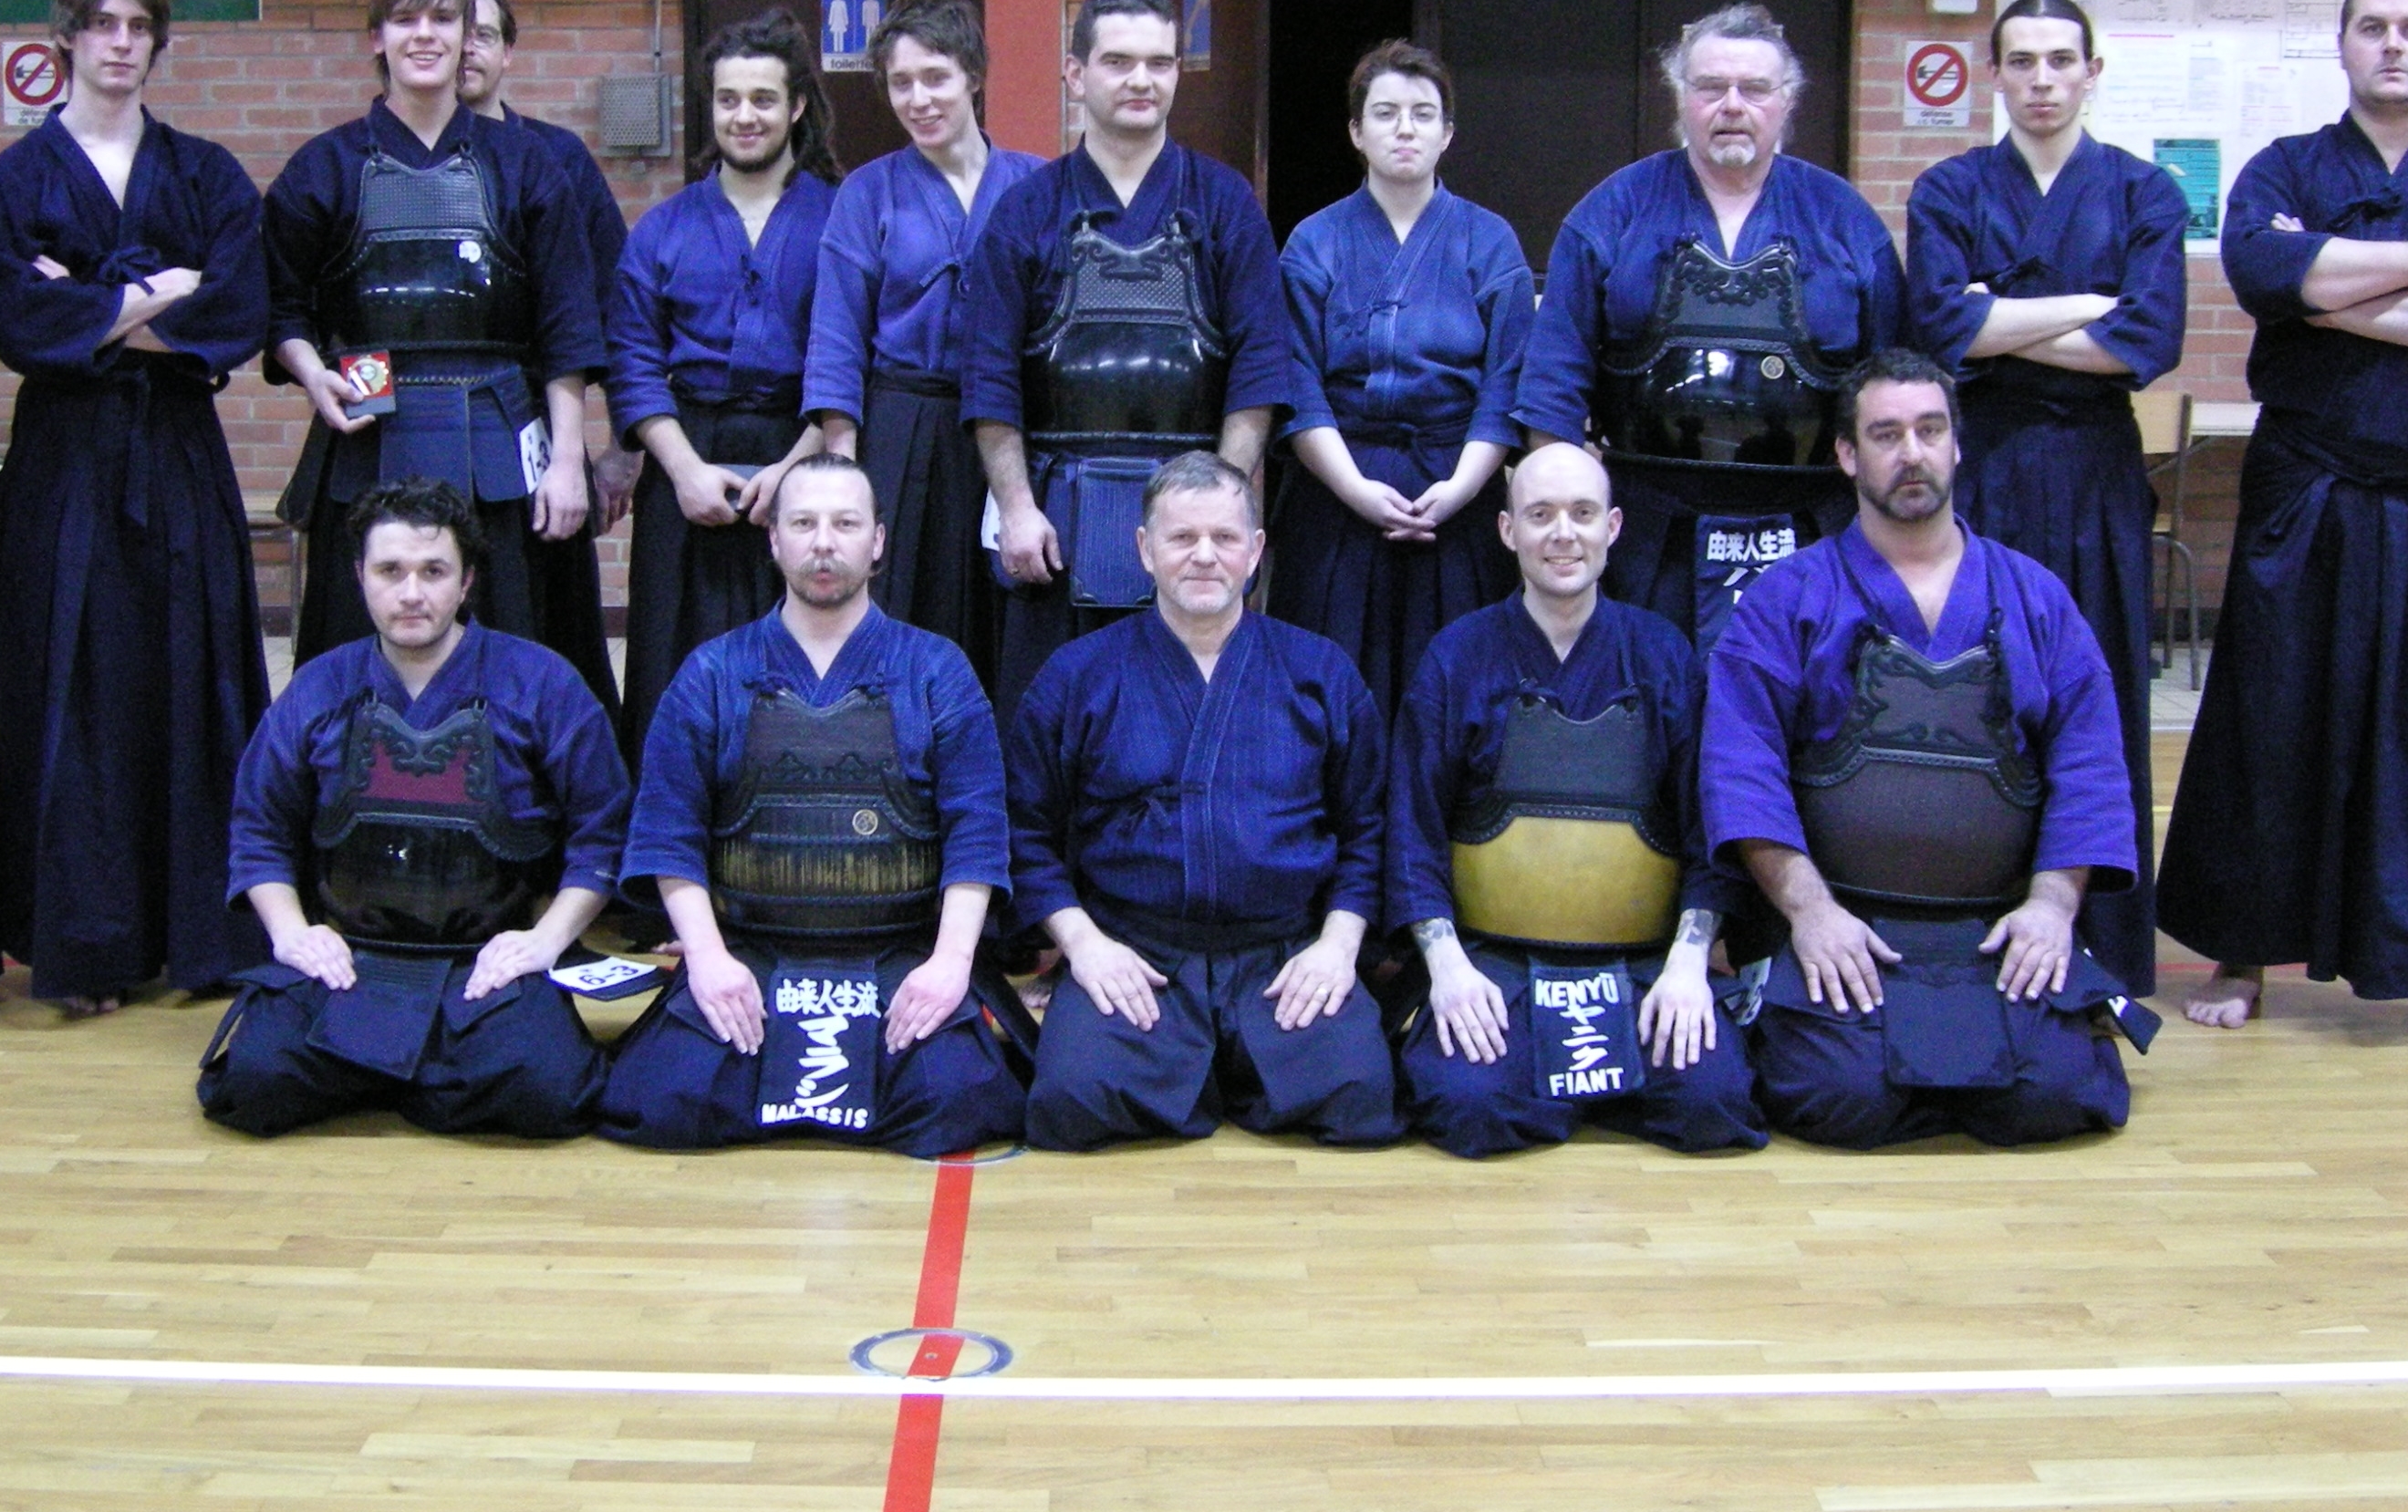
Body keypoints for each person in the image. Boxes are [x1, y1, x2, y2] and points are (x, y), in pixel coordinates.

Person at [2160, 0, 2408, 1050]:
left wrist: (2325, 296)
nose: (2390, 44)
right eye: (2371, 26)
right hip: (2304, 487)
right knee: (2268, 713)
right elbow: (2258, 270)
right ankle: (2240, 950)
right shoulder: (2285, 165)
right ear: (2340, 45)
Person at [1703, 351, 2157, 1148]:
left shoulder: (2036, 598)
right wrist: (1809, 912)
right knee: (1836, 1099)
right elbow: (1743, 771)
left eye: (1929, 430)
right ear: (1847, 455)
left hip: (1996, 931)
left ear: (1957, 444)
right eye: (1886, 435)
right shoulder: (1788, 598)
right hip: (1848, 929)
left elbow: (2089, 768)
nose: (1911, 453)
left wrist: (2052, 908)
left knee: (2056, 1098)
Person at [0, 0, 275, 1016]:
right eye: (101, 23)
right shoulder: (10, 182)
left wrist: (95, 306)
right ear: (66, 38)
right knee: (75, 694)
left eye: (138, 26)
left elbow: (233, 314)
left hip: (178, 455)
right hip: (64, 465)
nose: (120, 42)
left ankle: (204, 938)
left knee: (194, 682)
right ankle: (85, 947)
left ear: (157, 43)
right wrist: (158, 292)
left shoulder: (206, 174)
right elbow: (22, 326)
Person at [598, 454, 1030, 1155]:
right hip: (753, 954)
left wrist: (950, 965)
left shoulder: (937, 669)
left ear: (877, 541)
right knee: (663, 1103)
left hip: (897, 954)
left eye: (845, 524)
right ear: (774, 539)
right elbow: (667, 834)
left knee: (956, 1102)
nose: (824, 542)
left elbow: (976, 833)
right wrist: (707, 960)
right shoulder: (712, 671)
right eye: (803, 523)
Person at [1900, 0, 2187, 1006]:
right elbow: (1940, 330)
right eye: (2020, 61)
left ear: (2091, 72)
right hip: (1980, 469)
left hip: (2095, 472)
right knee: (1970, 693)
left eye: (2060, 60)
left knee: (2095, 695)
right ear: (1994, 75)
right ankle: (1965, 929)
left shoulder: (2145, 193)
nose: (2041, 80)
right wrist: (2087, 307)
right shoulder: (1948, 189)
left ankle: (2097, 939)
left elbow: (2146, 341)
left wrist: (2001, 320)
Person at [202, 479, 632, 1138]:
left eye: (434, 571)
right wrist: (291, 934)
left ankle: (376, 1073)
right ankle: (423, 1075)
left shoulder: (543, 683)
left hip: (486, 963)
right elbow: (260, 829)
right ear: (360, 577)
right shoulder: (319, 688)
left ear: (466, 582)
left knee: (546, 1093)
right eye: (390, 571)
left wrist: (545, 941)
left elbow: (602, 835)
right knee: (254, 1086)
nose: (411, 593)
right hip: (352, 959)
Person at [1006, 452, 1400, 1149]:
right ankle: (1214, 1064)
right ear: (1144, 549)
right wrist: (1085, 946)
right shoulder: (1079, 675)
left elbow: (1367, 830)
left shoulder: (1320, 672)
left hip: (1282, 954)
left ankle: (1216, 1063)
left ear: (1255, 550)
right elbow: (1024, 832)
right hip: (1137, 952)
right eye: (1182, 537)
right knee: (1072, 1102)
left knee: (1360, 1097)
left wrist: (1337, 949)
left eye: (1224, 537)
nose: (1205, 556)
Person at [1387, 441, 1761, 1156]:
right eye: (1541, 515)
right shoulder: (1457, 656)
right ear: (1508, 531)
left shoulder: (1663, 655)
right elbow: (1413, 832)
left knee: (1713, 1104)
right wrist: (1449, 969)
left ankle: (1567, 1086)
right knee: (1470, 1107)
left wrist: (1689, 964)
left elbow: (1706, 830)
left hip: (1640, 963)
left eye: (1583, 514)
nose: (1564, 533)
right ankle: (1582, 1089)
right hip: (1498, 962)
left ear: (1612, 528)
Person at [1514, 4, 1907, 652]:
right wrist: (1571, 527)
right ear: (1681, 97)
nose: (1732, 105)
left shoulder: (1845, 220)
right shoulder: (1612, 213)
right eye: (1710, 87)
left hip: (1815, 526)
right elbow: (1552, 391)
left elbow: (1896, 387)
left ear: (1786, 101)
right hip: (1647, 531)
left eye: (1754, 88)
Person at [957, 0, 1299, 711]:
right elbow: (990, 379)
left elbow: (1260, 370)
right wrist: (1016, 508)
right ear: (1076, 75)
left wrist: (1222, 509)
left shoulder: (1225, 203)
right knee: (1051, 721)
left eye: (1159, 62)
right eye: (1118, 62)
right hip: (1056, 518)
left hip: (1189, 515)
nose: (1141, 80)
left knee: (1189, 719)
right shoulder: (1025, 211)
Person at [262, 0, 605, 671]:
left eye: (443, 19)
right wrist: (311, 373)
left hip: (500, 431)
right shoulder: (323, 167)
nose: (425, 35)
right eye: (405, 19)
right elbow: (280, 306)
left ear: (465, 37)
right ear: (376, 38)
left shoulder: (527, 163)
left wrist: (568, 462)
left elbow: (568, 326)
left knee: (510, 645)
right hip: (367, 424)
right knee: (357, 647)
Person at [1267, 40, 1531, 708]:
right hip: (1337, 488)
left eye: (1422, 113)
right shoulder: (1315, 240)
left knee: (1456, 693)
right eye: (1385, 114)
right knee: (1327, 690)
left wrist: (1461, 488)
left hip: (1458, 490)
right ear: (1357, 132)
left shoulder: (1489, 240)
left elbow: (1506, 382)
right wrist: (1354, 488)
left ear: (1448, 132)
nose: (1404, 129)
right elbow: (1296, 381)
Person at [606, 7, 840, 756]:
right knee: (671, 657)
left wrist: (798, 467)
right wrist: (681, 470)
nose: (745, 116)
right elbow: (634, 358)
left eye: (763, 99)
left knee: (798, 657)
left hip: (801, 449)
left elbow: (851, 357)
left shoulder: (841, 220)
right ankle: (666, 820)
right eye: (729, 99)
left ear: (796, 107)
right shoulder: (663, 228)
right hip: (688, 455)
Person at [805, 0, 1048, 691]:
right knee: (901, 603)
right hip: (902, 424)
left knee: (1011, 604)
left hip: (1010, 425)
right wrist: (843, 469)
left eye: (936, 78)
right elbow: (837, 339)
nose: (919, 99)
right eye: (901, 83)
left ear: (974, 75)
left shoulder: (1035, 185)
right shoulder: (867, 192)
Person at [456, 0, 632, 720]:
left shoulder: (558, 159)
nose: (466, 48)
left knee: (546, 629)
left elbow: (617, 308)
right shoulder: (365, 161)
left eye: (484, 34)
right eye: (453, 30)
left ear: (509, 52)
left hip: (533, 429)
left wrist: (622, 445)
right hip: (413, 426)